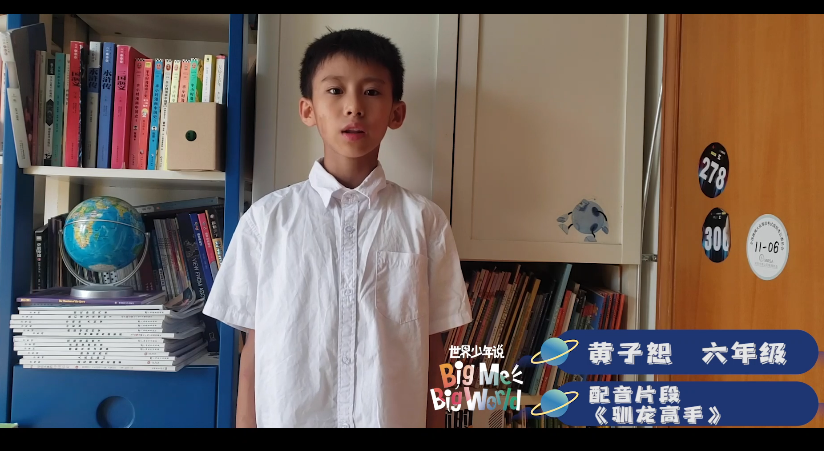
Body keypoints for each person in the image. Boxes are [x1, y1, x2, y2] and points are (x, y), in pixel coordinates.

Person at [203, 28, 472, 428]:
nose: (354, 107)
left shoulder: (424, 221)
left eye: (372, 92)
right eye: (335, 90)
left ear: (396, 113)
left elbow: (433, 350)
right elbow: (253, 350)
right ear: (307, 109)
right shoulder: (266, 221)